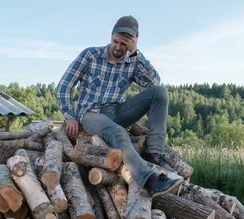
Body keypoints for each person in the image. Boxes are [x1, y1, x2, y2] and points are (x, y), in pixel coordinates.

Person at [56, 15, 182, 197]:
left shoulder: (133, 61)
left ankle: (154, 154)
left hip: (118, 111)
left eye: (124, 44)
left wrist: (136, 53)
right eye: (116, 41)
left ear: (133, 42)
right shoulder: (90, 55)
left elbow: (154, 81)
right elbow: (63, 87)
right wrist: (70, 116)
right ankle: (150, 180)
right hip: (91, 114)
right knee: (118, 133)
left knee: (160, 92)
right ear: (111, 36)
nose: (118, 47)